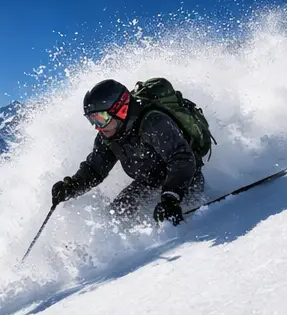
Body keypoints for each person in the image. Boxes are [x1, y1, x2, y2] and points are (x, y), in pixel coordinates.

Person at [49, 78, 206, 225]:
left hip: (185, 182)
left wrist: (171, 197)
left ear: (120, 109)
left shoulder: (153, 122)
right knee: (113, 217)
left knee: (170, 221)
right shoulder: (108, 136)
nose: (97, 126)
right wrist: (72, 186)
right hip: (149, 183)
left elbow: (181, 158)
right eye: (92, 119)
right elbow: (95, 169)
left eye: (101, 118)